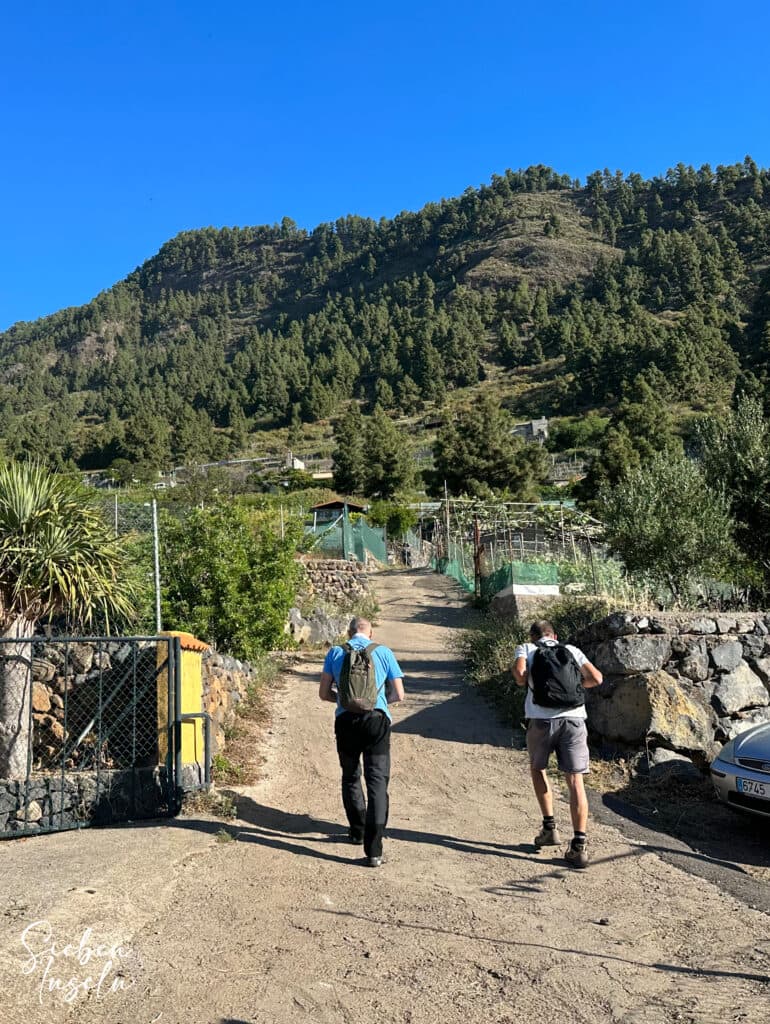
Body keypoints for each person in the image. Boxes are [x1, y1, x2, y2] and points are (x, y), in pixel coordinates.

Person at [513, 619, 603, 868]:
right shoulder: (572, 650)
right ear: (554, 634)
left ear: (534, 637)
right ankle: (579, 845)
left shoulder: (526, 649)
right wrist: (574, 687)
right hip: (574, 720)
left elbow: (520, 677)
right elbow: (596, 678)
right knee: (575, 780)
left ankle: (549, 827)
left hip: (541, 720)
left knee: (538, 769)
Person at [319, 616, 405, 867]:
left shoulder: (335, 652)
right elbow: (399, 693)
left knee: (350, 776)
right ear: (371, 632)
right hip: (376, 722)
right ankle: (374, 849)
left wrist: (342, 700)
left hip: (345, 722)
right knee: (377, 780)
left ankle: (356, 831)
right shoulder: (383, 652)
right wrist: (378, 703)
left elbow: (323, 693)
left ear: (349, 632)